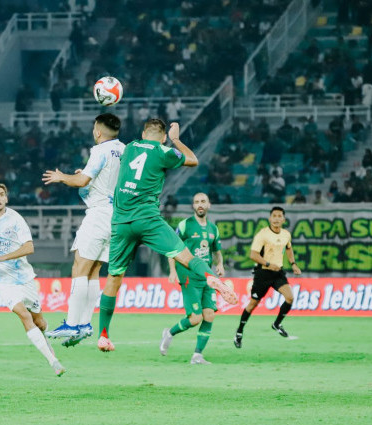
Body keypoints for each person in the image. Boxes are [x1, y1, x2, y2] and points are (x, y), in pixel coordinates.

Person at [79, 118, 237, 352]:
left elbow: (111, 170)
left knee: (114, 278)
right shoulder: (164, 151)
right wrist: (176, 140)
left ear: (143, 133)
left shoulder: (130, 147)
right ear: (162, 138)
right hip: (149, 220)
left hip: (122, 223)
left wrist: (86, 177)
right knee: (186, 256)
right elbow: (193, 160)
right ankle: (210, 277)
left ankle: (103, 334)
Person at [0, 183, 66, 376]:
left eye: (1, 195)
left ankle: (46, 337)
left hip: (25, 278)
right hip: (3, 282)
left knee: (39, 321)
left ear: (6, 199)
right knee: (24, 315)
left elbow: (29, 247)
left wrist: (2, 257)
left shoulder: (16, 219)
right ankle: (53, 361)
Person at [41, 113, 125, 346]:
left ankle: (72, 324)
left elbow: (81, 181)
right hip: (116, 216)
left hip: (98, 215)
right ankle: (85, 324)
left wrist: (61, 177)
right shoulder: (124, 149)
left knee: (79, 267)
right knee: (94, 270)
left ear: (98, 131)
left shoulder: (100, 151)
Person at [160, 193, 224, 364]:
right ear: (193, 206)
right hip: (188, 275)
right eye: (196, 202)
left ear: (209, 205)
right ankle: (169, 333)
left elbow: (217, 251)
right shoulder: (185, 225)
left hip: (207, 277)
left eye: (203, 201)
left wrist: (220, 264)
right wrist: (172, 270)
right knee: (195, 319)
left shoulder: (213, 229)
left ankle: (197, 355)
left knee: (209, 315)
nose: (200, 204)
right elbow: (172, 248)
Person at [234, 206, 301, 348]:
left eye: (279, 216)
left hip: (278, 273)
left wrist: (293, 264)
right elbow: (253, 255)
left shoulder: (286, 235)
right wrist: (268, 264)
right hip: (263, 273)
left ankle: (277, 324)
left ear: (283, 219)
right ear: (270, 218)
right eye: (274, 216)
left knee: (290, 297)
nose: (276, 219)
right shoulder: (262, 235)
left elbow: (289, 248)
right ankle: (239, 331)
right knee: (253, 304)